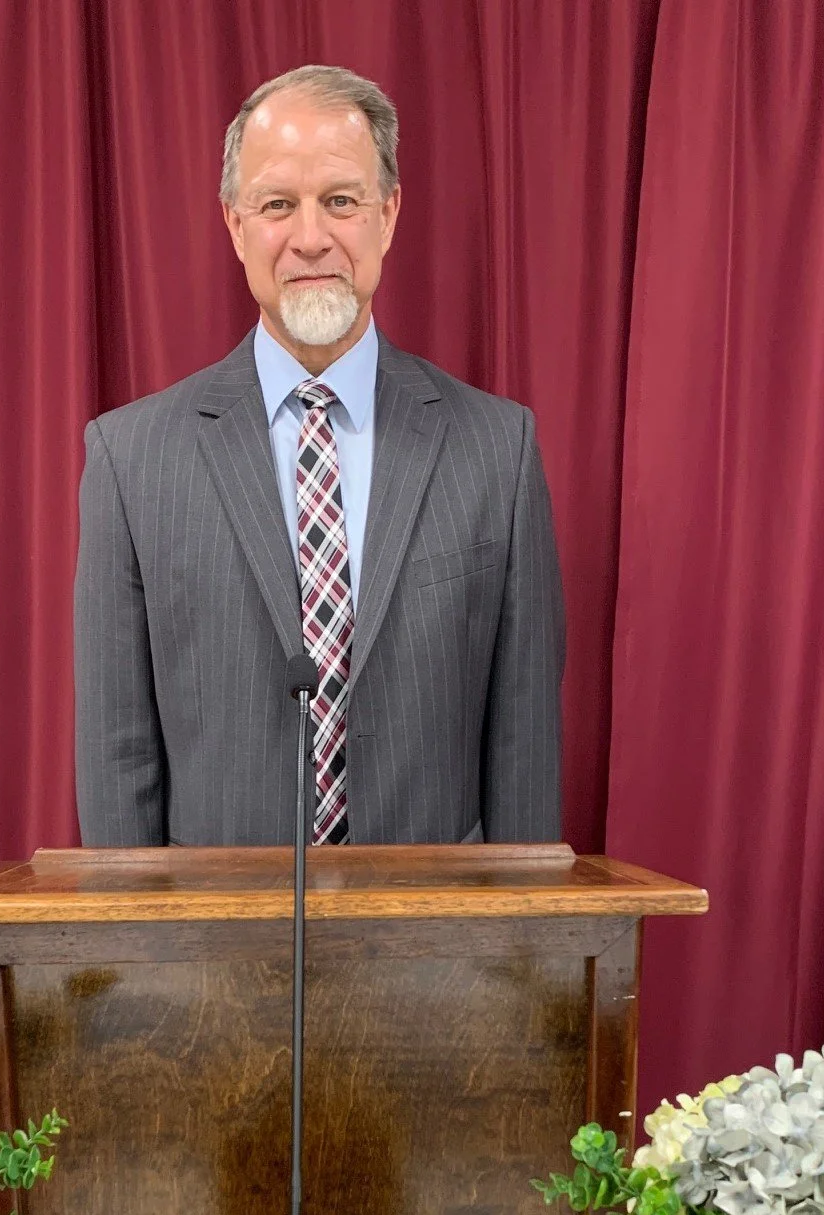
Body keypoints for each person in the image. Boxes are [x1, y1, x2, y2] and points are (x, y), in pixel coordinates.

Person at [74, 64, 565, 848]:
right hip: (215, 953)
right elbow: (116, 757)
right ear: (235, 225)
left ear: (388, 215)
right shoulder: (131, 462)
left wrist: (513, 962)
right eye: (278, 206)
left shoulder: (497, 451)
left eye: (341, 200)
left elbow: (524, 753)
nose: (310, 237)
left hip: (436, 953)